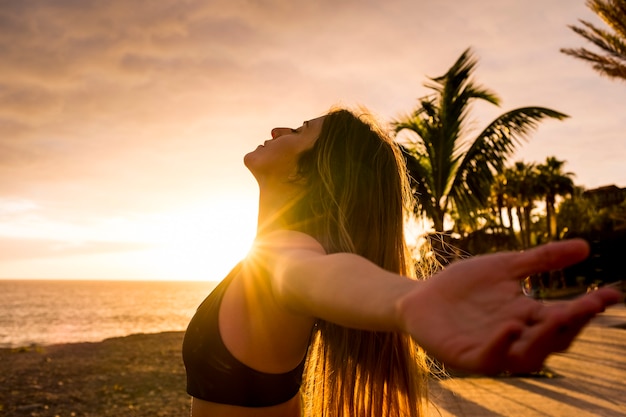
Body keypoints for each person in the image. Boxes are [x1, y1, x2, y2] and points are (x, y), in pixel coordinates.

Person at [182, 108, 621, 417]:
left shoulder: (283, 253)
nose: (278, 129)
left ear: (314, 171)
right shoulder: (274, 251)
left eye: (298, 130)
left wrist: (408, 300)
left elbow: (313, 276)